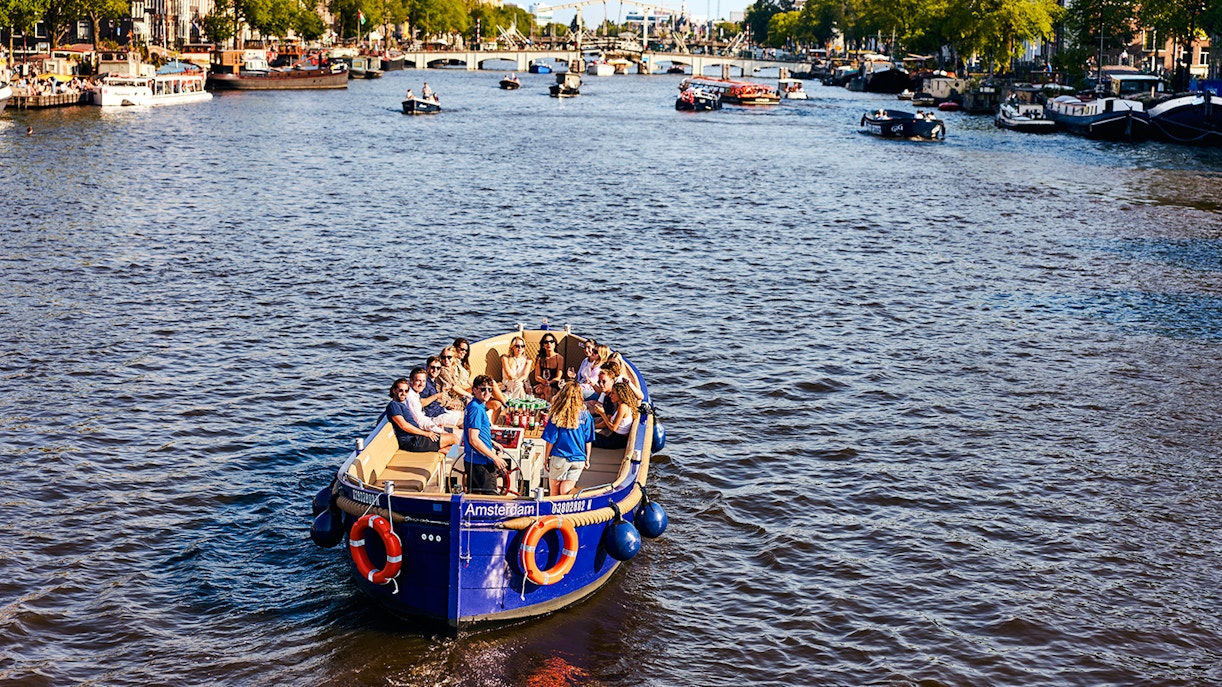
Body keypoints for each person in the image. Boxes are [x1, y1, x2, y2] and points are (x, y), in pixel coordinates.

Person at [541, 381, 595, 496]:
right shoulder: (586, 415)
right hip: (578, 459)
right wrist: (587, 458)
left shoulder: (558, 415)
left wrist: (546, 459)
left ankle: (553, 513)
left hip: (560, 457)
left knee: (554, 493)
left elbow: (551, 440)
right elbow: (588, 439)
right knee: (566, 491)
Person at [386, 378, 456, 453]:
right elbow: (404, 425)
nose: (403, 393)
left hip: (416, 437)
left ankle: (441, 451)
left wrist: (428, 429)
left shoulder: (401, 404)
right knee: (453, 438)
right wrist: (426, 433)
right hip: (412, 441)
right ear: (394, 390)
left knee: (452, 445)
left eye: (406, 391)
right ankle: (458, 460)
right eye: (400, 390)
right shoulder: (393, 405)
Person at [463, 375, 506, 494]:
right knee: (491, 503)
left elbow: (475, 433)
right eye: (483, 389)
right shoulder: (476, 409)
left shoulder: (475, 405)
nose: (487, 392)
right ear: (475, 390)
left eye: (490, 389)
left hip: (472, 460)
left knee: (474, 498)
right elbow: (473, 439)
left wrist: (492, 443)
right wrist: (495, 458)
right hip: (481, 463)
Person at [591, 380, 640, 450]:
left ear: (620, 394)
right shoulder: (620, 405)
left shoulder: (623, 407)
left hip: (616, 441)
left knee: (585, 436)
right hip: (615, 437)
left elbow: (613, 428)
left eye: (613, 393)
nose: (610, 395)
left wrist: (602, 414)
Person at [420, 355, 453, 419]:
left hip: (440, 410)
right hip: (433, 415)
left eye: (438, 368)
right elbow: (421, 403)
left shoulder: (433, 381)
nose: (435, 370)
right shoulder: (424, 383)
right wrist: (437, 396)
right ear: (427, 368)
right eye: (433, 367)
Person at [438, 345, 470, 410]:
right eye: (443, 357)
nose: (446, 360)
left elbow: (456, 385)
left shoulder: (451, 369)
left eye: (449, 357)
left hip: (452, 397)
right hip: (444, 400)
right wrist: (470, 395)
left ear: (454, 358)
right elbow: (455, 387)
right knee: (470, 401)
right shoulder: (443, 370)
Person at [533, 333, 564, 400]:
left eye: (551, 342)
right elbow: (537, 376)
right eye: (546, 342)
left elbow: (558, 377)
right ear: (543, 345)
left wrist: (549, 383)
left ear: (555, 344)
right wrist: (543, 381)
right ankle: (549, 409)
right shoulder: (540, 358)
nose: (548, 344)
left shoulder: (559, 358)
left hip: (554, 385)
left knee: (544, 394)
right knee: (546, 390)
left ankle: (546, 409)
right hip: (541, 384)